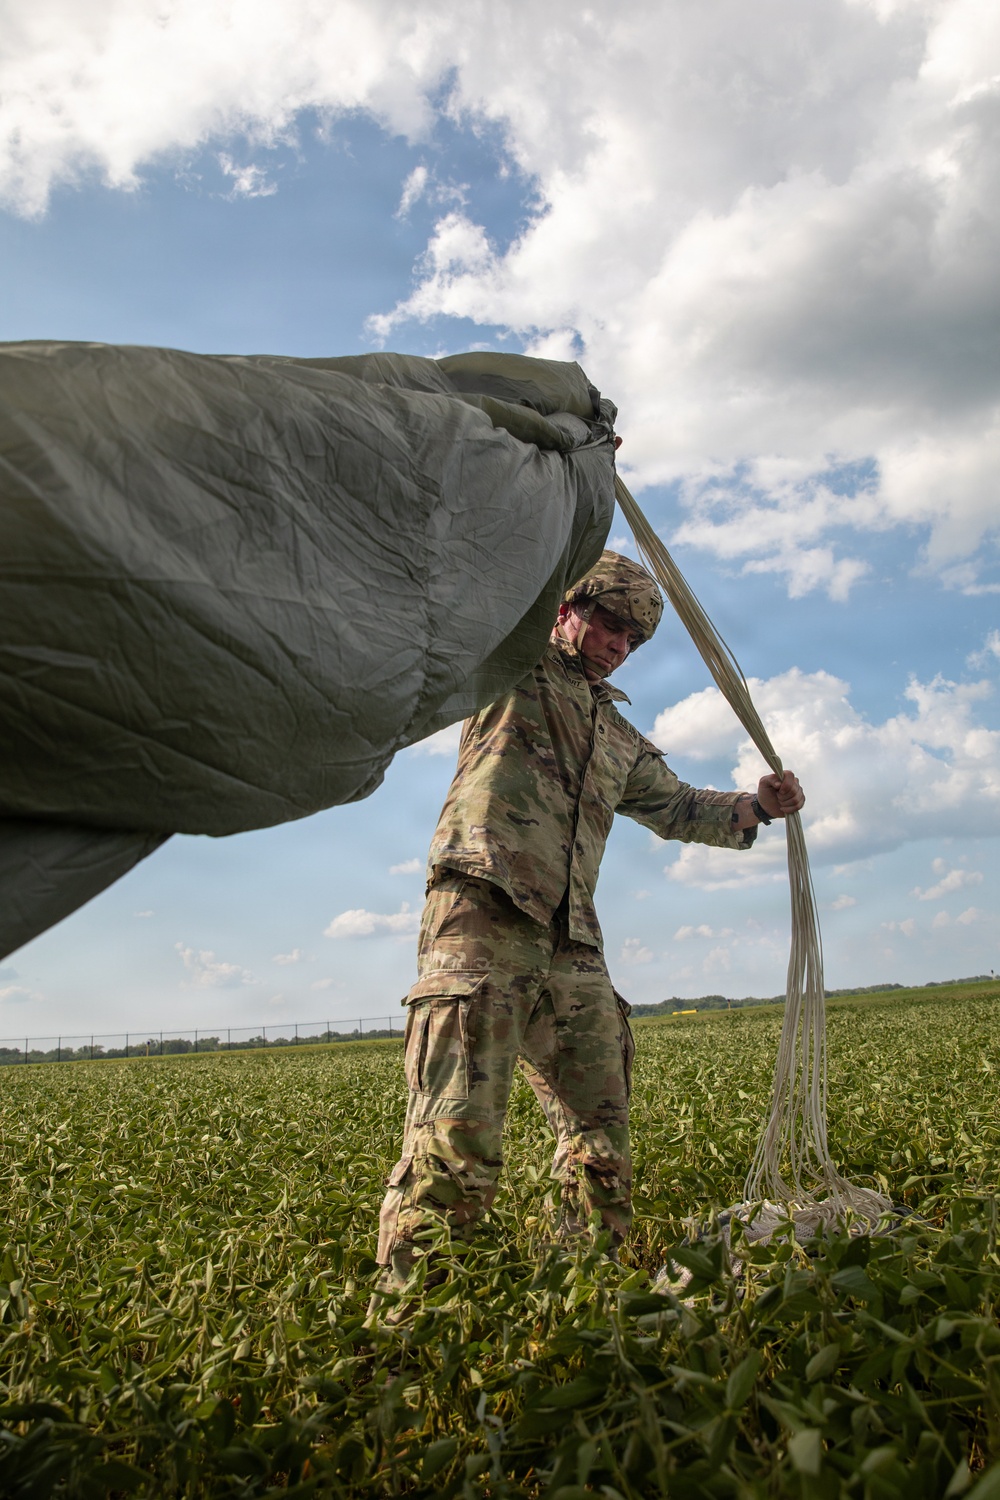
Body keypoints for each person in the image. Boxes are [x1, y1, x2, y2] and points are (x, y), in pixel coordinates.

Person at [374, 551, 804, 1294]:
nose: (616, 644)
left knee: (602, 1132)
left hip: (572, 941)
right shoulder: (512, 663)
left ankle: (584, 1298)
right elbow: (505, 574)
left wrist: (758, 805)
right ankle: (412, 1327)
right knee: (456, 1135)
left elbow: (680, 808)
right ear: (566, 609)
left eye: (631, 638)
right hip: (483, 914)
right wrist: (574, 462)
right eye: (607, 623)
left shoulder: (616, 734)